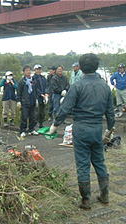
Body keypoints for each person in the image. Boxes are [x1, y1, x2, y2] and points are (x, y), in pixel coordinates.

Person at [48, 53, 115, 210]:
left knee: (83, 163)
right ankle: (104, 196)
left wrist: (55, 125)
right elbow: (110, 112)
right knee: (99, 162)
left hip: (81, 128)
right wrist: (109, 130)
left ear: (81, 68)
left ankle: (86, 200)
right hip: (97, 128)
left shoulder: (77, 86)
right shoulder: (105, 86)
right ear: (96, 67)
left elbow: (65, 108)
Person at [17, 65, 39, 137]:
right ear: (24, 72)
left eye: (29, 70)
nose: (28, 72)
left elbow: (35, 91)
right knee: (24, 117)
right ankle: (22, 130)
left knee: (33, 117)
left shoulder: (34, 80)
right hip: (25, 102)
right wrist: (19, 101)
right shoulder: (22, 81)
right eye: (26, 70)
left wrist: (36, 99)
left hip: (32, 100)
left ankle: (31, 129)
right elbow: (19, 92)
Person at [33, 64, 48, 128]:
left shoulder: (43, 77)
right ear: (35, 70)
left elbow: (46, 86)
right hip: (36, 97)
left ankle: (41, 123)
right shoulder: (33, 78)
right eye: (37, 69)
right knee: (36, 111)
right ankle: (35, 123)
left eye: (39, 69)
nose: (38, 71)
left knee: (42, 111)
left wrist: (46, 93)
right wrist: (40, 94)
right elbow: (35, 87)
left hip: (43, 97)